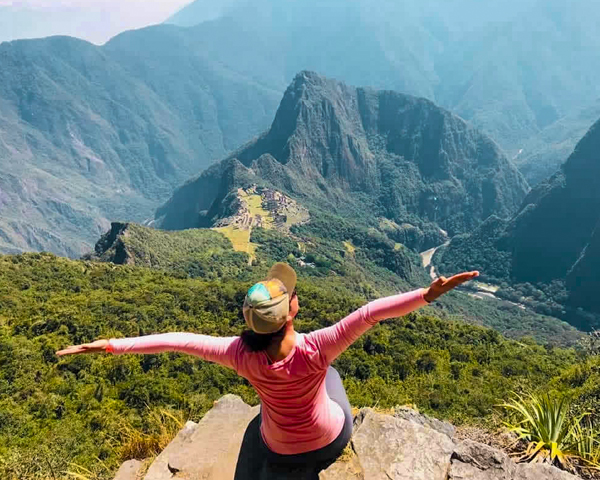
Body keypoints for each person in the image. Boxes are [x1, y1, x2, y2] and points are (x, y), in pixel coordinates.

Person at [57, 263, 478, 475]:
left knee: (256, 424)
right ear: (291, 312)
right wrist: (427, 294)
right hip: (330, 440)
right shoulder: (319, 348)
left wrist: (110, 346)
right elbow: (370, 314)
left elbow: (175, 339)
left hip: (278, 447)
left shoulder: (238, 354)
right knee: (332, 378)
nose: (294, 295)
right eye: (292, 295)